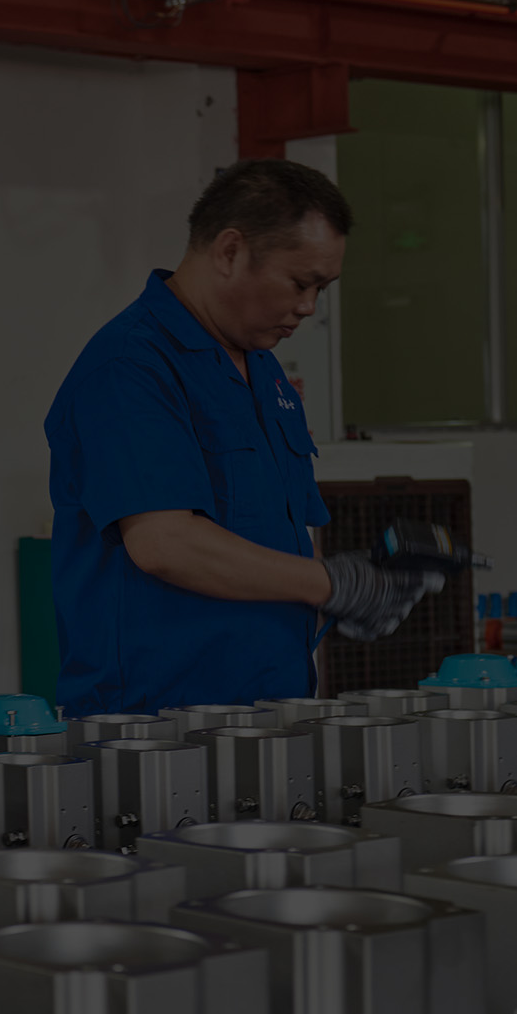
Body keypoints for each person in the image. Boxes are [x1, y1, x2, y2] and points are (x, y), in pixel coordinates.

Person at [46, 158, 443, 716]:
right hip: (155, 726)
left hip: (272, 709)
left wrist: (350, 591)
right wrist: (329, 584)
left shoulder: (263, 370)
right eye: (300, 283)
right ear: (230, 251)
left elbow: (278, 534)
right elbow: (164, 543)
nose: (308, 307)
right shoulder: (130, 366)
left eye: (322, 288)